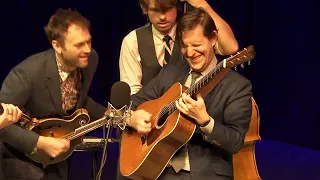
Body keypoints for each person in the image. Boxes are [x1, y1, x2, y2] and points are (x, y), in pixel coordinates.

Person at [120, 7, 252, 180]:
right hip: (159, 170)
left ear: (213, 38)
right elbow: (128, 105)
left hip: (204, 175)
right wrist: (131, 117)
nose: (190, 53)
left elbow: (235, 142)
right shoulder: (170, 73)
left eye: (197, 45)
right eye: (184, 46)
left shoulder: (237, 86)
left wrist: (205, 121)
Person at [0, 9, 107, 180]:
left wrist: (111, 114)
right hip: (19, 157)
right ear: (57, 46)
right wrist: (40, 143)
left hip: (56, 156)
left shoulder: (89, 60)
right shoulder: (28, 74)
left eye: (89, 42)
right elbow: (2, 124)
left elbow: (78, 99)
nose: (87, 49)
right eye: (79, 45)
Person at [119, 0, 239, 95]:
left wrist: (202, 4)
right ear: (144, 9)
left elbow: (231, 47)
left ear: (177, 6)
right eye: (155, 10)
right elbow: (132, 90)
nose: (162, 17)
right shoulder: (132, 41)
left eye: (167, 9)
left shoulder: (192, 34)